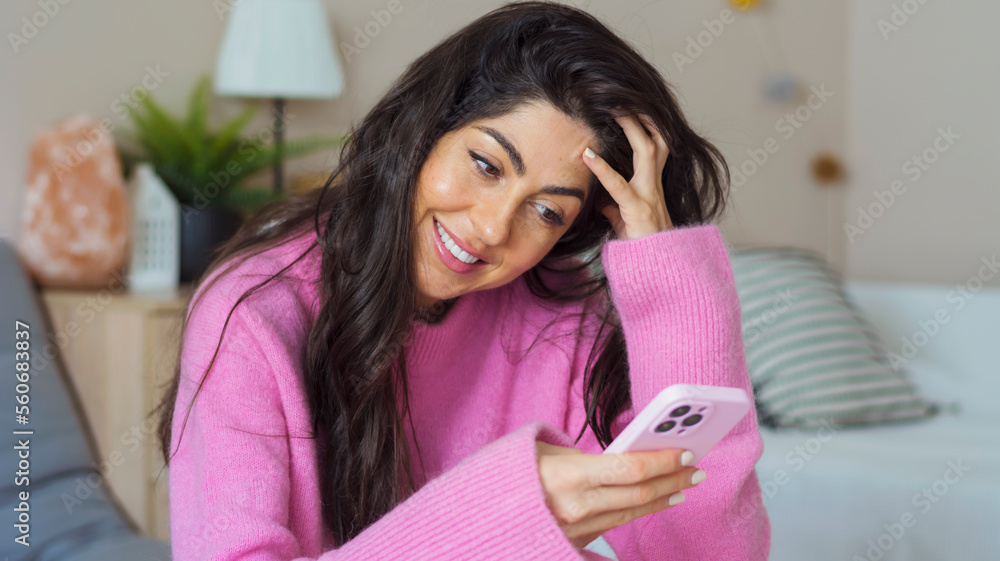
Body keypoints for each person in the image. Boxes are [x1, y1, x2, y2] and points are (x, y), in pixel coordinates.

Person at [155, 1, 771, 559]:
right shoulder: (254, 312)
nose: (493, 227)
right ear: (421, 131)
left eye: (548, 211)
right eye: (485, 164)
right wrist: (507, 517)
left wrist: (673, 283)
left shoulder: (556, 325)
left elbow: (705, 556)